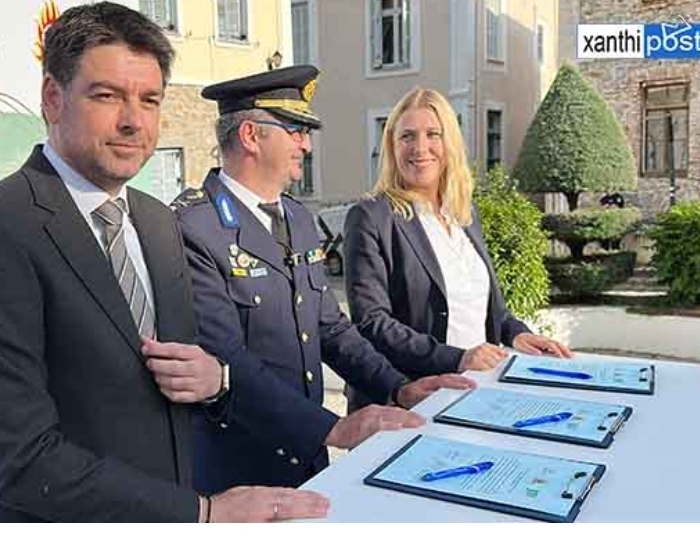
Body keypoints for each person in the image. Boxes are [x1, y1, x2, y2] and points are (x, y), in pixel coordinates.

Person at [0, 1, 328, 522]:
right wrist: (203, 513)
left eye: (149, 100)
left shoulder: (158, 222)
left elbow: (175, 383)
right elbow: (19, 460)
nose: (133, 121)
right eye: (107, 96)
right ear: (52, 98)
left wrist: (220, 384)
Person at [171, 66, 475, 494]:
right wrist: (331, 428)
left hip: (307, 460)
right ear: (251, 135)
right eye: (296, 131)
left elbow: (330, 328)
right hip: (239, 471)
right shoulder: (193, 226)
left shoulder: (297, 217)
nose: (306, 144)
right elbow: (227, 358)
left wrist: (398, 388)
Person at [343, 87, 572, 412]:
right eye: (407, 136)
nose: (420, 147)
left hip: (474, 391)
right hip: (408, 398)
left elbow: (485, 308)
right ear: (392, 147)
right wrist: (457, 358)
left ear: (450, 142)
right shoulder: (372, 216)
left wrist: (517, 334)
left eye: (432, 134)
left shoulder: (464, 214)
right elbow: (372, 323)